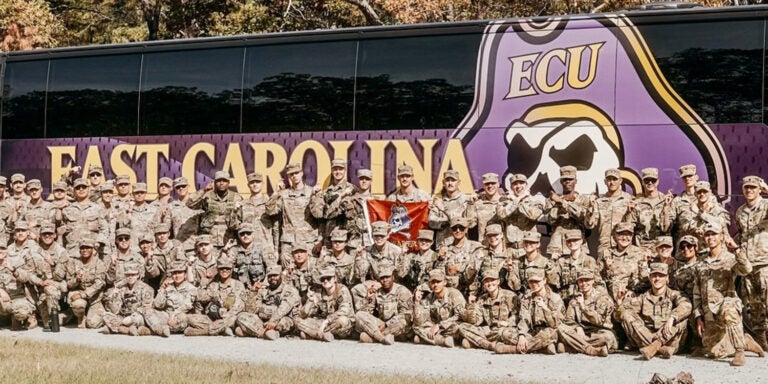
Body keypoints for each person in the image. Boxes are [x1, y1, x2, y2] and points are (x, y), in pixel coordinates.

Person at [692, 222, 764, 366]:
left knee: (729, 309)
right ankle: (746, 341)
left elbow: (747, 269)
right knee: (713, 351)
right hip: (710, 312)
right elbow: (697, 292)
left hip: (726, 305)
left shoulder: (730, 258)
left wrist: (737, 250)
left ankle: (739, 351)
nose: (710, 237)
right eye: (707, 235)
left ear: (721, 237)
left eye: (714, 234)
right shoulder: (701, 263)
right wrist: (698, 316)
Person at [616, 263, 692, 360]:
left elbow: (687, 305)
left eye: (661, 275)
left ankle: (656, 346)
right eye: (654, 275)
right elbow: (622, 314)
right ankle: (660, 349)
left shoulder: (675, 295)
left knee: (682, 319)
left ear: (667, 278)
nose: (657, 279)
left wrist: (672, 318)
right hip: (648, 337)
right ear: (650, 278)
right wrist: (619, 302)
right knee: (626, 315)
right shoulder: (643, 298)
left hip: (670, 340)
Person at [494, 268, 565, 354]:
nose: (534, 284)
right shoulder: (527, 298)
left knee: (551, 333)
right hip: (532, 331)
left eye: (537, 281)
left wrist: (545, 309)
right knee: (505, 333)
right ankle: (543, 348)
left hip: (548, 330)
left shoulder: (555, 298)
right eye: (531, 282)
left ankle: (513, 349)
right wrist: (522, 335)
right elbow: (524, 318)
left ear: (544, 281)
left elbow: (555, 324)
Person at [733, 175, 768, 349]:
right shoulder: (740, 211)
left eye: (753, 187)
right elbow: (741, 235)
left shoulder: (766, 206)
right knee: (753, 305)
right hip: (747, 264)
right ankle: (761, 338)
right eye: (747, 187)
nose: (749, 190)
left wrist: (766, 188)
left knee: (767, 300)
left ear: (759, 189)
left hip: (764, 262)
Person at [266, 163, 320, 266]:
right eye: (291, 174)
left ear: (301, 173)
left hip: (308, 241)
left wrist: (320, 240)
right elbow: (270, 210)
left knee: (309, 272)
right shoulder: (284, 194)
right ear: (288, 177)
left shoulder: (311, 192)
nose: (294, 176)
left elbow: (319, 217)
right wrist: (276, 192)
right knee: (288, 273)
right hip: (289, 242)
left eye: (296, 173)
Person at [556, 269, 614, 357]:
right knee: (561, 328)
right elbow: (568, 320)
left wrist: (583, 307)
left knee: (608, 337)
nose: (584, 284)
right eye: (581, 281)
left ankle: (572, 347)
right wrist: (578, 328)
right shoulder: (575, 299)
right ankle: (592, 350)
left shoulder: (602, 297)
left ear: (593, 281)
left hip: (597, 331)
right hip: (580, 332)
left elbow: (599, 321)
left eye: (587, 280)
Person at [457, 269, 519, 350]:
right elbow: (476, 321)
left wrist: (508, 323)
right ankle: (489, 345)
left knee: (506, 334)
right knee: (463, 327)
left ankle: (478, 343)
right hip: (490, 331)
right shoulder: (482, 299)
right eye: (486, 281)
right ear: (483, 284)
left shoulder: (510, 296)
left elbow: (518, 315)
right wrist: (471, 305)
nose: (490, 284)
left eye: (492, 280)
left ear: (498, 281)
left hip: (505, 330)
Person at [354, 262, 413, 345]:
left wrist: (387, 324)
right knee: (359, 315)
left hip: (394, 325)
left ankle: (374, 337)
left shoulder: (402, 291)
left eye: (387, 277)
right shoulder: (376, 292)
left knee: (403, 322)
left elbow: (406, 314)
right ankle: (382, 338)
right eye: (382, 278)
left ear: (393, 277)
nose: (385, 280)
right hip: (381, 325)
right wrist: (367, 298)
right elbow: (365, 313)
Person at [235, 265, 300, 340]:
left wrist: (273, 321)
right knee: (241, 316)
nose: (272, 278)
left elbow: (284, 308)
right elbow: (251, 311)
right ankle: (264, 333)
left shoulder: (289, 290)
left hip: (280, 320)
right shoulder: (263, 290)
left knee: (285, 321)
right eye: (270, 276)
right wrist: (253, 292)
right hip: (263, 321)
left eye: (275, 275)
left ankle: (255, 332)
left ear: (281, 275)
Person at [295, 266, 355, 342]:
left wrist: (327, 321)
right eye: (323, 279)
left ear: (335, 279)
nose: (325, 281)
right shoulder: (318, 292)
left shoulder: (342, 289)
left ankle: (312, 334)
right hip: (323, 323)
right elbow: (303, 314)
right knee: (297, 320)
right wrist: (310, 300)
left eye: (328, 278)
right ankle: (320, 335)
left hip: (339, 323)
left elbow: (344, 310)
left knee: (342, 320)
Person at [186, 171, 242, 249]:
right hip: (209, 241)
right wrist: (204, 190)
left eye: (224, 181)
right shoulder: (207, 195)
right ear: (215, 182)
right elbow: (190, 204)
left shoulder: (236, 197)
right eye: (219, 181)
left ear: (228, 183)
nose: (221, 183)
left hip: (229, 241)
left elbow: (240, 220)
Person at [544, 165, 591, 259]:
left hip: (577, 246)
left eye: (571, 179)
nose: (567, 182)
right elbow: (549, 220)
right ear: (561, 182)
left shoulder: (584, 200)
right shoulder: (552, 200)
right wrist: (557, 205)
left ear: (576, 181)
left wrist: (562, 202)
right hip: (557, 247)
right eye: (565, 180)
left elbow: (582, 217)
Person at [413, 269, 467, 348]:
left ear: (444, 282)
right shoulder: (429, 297)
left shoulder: (454, 294)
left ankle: (425, 339)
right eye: (433, 282)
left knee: (459, 327)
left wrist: (440, 325)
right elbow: (419, 321)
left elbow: (459, 316)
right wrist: (417, 302)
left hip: (450, 326)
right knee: (416, 327)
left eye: (438, 282)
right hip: (437, 329)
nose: (435, 285)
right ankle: (443, 341)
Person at [597, 222, 650, 302]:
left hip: (631, 298)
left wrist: (634, 290)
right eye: (621, 234)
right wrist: (607, 269)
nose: (625, 238)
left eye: (628, 235)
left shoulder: (640, 253)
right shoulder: (606, 253)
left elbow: (645, 280)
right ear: (615, 235)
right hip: (609, 298)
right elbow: (598, 279)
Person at [585, 168, 634, 254]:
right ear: (605, 181)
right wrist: (590, 208)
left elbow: (633, 224)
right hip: (605, 246)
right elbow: (590, 225)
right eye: (609, 180)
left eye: (615, 179)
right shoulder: (599, 201)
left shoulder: (628, 200)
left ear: (620, 181)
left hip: (623, 246)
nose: (612, 182)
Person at [144, 260, 198, 337]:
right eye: (174, 273)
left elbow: (187, 306)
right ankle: (160, 330)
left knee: (183, 318)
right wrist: (162, 288)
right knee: (148, 311)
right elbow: (157, 305)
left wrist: (173, 315)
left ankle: (153, 329)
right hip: (167, 315)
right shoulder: (168, 287)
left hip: (180, 315)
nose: (177, 276)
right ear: (171, 275)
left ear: (185, 274)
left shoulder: (191, 288)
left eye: (180, 273)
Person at [232, 172, 277, 263]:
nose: (255, 184)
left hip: (267, 247)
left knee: (271, 275)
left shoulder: (270, 204)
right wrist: (234, 212)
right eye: (252, 182)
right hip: (248, 248)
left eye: (258, 182)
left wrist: (276, 249)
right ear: (248, 185)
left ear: (262, 184)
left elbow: (276, 228)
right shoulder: (242, 204)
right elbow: (235, 227)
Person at [310, 159, 355, 246]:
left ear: (345, 170)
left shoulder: (351, 190)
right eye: (335, 169)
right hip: (329, 237)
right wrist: (320, 239)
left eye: (340, 169)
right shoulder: (327, 191)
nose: (338, 172)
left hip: (345, 238)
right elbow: (321, 217)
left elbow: (350, 214)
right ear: (332, 170)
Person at [65, 237, 107, 328]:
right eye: (82, 248)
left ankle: (99, 314)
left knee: (92, 324)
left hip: (94, 298)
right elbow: (69, 284)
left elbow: (99, 284)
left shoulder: (99, 263)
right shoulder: (74, 262)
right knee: (78, 304)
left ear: (93, 250)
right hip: (79, 293)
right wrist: (76, 280)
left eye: (88, 248)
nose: (85, 250)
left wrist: (83, 294)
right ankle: (80, 317)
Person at [101, 264, 154, 336]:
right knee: (105, 315)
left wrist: (132, 317)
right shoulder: (121, 288)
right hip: (123, 316)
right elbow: (116, 310)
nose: (130, 277)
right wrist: (114, 296)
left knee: (136, 319)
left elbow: (147, 307)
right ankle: (128, 330)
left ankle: (115, 328)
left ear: (138, 275)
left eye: (133, 275)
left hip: (137, 316)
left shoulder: (147, 289)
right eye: (128, 275)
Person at [551, 229, 600, 304]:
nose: (572, 243)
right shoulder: (562, 261)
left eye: (575, 240)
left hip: (584, 300)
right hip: (565, 300)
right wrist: (552, 263)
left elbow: (598, 283)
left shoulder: (589, 260)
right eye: (569, 241)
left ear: (581, 241)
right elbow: (553, 281)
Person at [628, 168, 672, 249]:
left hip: (662, 248)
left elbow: (667, 228)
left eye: (653, 180)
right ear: (642, 182)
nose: (650, 183)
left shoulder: (666, 201)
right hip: (642, 248)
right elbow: (630, 226)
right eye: (646, 180)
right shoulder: (636, 202)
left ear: (658, 181)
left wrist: (666, 207)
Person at [497, 174, 543, 248]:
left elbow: (533, 215)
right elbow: (501, 215)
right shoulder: (504, 203)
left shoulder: (535, 202)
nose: (518, 186)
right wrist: (515, 201)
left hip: (529, 247)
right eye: (515, 184)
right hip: (510, 248)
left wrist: (519, 200)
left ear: (526, 185)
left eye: (521, 183)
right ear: (511, 187)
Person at [441, 217, 482, 298]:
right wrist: (440, 259)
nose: (458, 230)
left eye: (461, 228)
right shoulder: (446, 249)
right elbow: (440, 272)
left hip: (470, 293)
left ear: (466, 229)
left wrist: (457, 270)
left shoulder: (475, 247)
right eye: (454, 228)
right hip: (449, 293)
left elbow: (474, 272)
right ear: (451, 230)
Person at [0, 243, 37, 330]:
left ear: (7, 250)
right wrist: (1, 291)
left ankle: (20, 318)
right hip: (2, 299)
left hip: (17, 297)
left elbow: (25, 278)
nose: (0, 251)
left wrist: (13, 270)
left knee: (21, 312)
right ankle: (5, 319)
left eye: (2, 248)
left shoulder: (17, 261)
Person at [506, 231, 556, 295]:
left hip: (541, 295)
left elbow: (553, 283)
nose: (528, 244)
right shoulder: (518, 262)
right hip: (524, 296)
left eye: (532, 242)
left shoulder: (545, 262)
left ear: (538, 244)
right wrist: (511, 271)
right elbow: (515, 287)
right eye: (526, 242)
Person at [224, 222, 271, 291]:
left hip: (261, 287)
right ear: (239, 236)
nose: (245, 236)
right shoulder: (234, 250)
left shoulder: (262, 248)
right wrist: (225, 251)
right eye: (242, 234)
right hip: (240, 288)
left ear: (253, 235)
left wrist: (264, 284)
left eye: (248, 233)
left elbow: (271, 267)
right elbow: (225, 268)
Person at [429, 170, 469, 246]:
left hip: (460, 246)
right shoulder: (438, 200)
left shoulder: (465, 200)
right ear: (443, 183)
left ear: (459, 182)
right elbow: (432, 222)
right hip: (442, 245)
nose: (450, 183)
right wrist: (445, 222)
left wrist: (443, 211)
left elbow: (469, 222)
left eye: (453, 180)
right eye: (447, 180)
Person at [466, 173, 505, 243]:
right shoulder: (477, 204)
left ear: (498, 184)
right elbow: (470, 224)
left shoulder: (505, 202)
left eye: (493, 183)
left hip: (503, 246)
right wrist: (470, 204)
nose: (490, 186)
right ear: (483, 186)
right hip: (484, 245)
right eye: (487, 184)